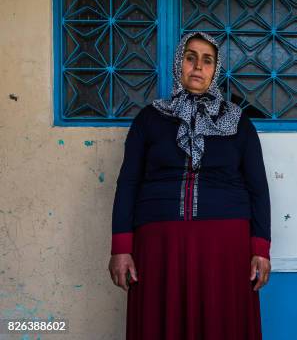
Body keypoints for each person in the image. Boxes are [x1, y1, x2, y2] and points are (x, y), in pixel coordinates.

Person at [108, 31, 272, 339]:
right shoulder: (149, 119)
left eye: (207, 60)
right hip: (159, 247)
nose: (197, 67)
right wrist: (121, 248)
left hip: (225, 248)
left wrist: (260, 249)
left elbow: (258, 189)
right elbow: (128, 182)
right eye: (190, 58)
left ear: (215, 70)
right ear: (178, 64)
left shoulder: (238, 122)